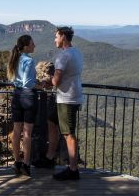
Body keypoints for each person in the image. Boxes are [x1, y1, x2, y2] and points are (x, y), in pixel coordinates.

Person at [34, 26, 83, 180]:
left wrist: (45, 82)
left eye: (56, 36)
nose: (54, 39)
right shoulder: (77, 52)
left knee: (69, 134)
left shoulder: (62, 56)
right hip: (71, 96)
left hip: (67, 99)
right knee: (51, 121)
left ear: (63, 36)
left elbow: (56, 81)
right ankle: (49, 158)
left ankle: (73, 169)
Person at [7, 34, 38, 177]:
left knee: (16, 130)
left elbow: (16, 80)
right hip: (28, 96)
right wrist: (41, 85)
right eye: (32, 44)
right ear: (26, 46)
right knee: (27, 133)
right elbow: (29, 83)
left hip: (17, 95)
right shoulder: (29, 61)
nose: (34, 46)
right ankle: (26, 164)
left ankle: (16, 162)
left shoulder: (15, 58)